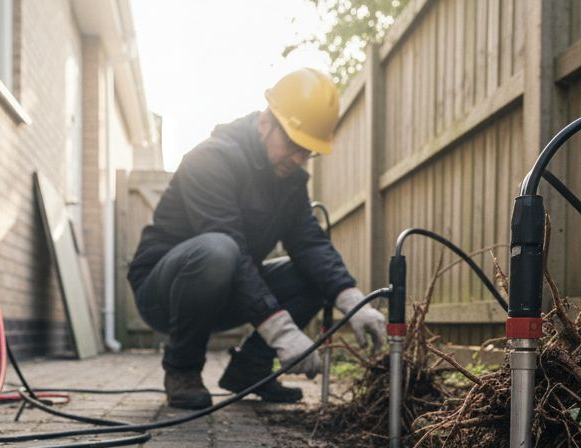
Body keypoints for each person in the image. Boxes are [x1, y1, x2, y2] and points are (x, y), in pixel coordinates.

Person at [127, 68, 388, 409]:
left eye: (307, 151)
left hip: (224, 289)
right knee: (219, 249)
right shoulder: (211, 160)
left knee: (312, 278)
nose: (298, 159)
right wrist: (281, 331)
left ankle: (251, 369)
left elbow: (311, 244)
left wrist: (353, 300)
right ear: (266, 122)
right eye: (294, 145)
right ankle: (182, 369)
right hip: (163, 293)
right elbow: (227, 245)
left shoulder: (289, 180)